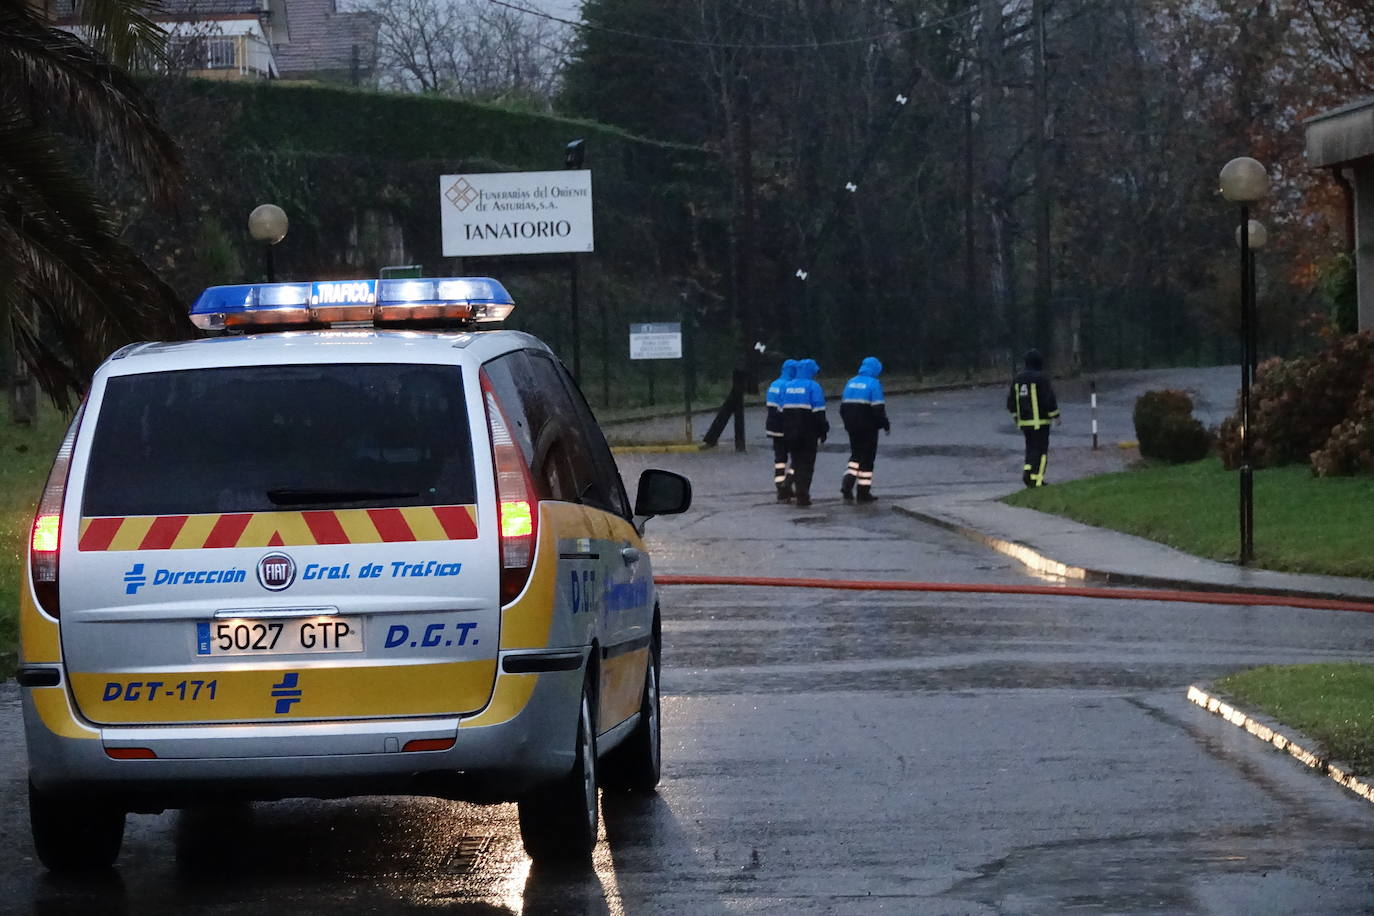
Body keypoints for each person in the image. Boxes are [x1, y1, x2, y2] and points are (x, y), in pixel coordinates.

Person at [1007, 348, 1061, 487]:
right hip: (1040, 421)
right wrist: (1055, 415)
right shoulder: (1041, 378)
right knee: (1041, 451)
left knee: (1030, 448)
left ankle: (1028, 473)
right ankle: (1037, 479)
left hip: (1025, 422)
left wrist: (1016, 416)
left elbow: (1011, 401)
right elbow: (1048, 398)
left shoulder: (1017, 379)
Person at [839, 356, 890, 502]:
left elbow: (842, 407)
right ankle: (863, 492)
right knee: (867, 458)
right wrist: (884, 424)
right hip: (868, 426)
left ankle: (848, 482)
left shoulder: (851, 382)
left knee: (856, 454)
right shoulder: (874, 384)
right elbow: (878, 408)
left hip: (852, 426)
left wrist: (847, 423)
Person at [779, 358, 828, 507]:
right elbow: (819, 413)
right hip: (808, 433)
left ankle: (792, 487)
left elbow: (780, 411)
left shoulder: (787, 387)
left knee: (796, 461)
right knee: (806, 464)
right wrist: (823, 431)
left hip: (790, 433)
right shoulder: (813, 387)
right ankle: (803, 495)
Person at [765, 359, 798, 501]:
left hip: (773, 427)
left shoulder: (774, 384)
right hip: (786, 427)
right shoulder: (789, 386)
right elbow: (787, 409)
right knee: (797, 457)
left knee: (780, 458)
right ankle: (787, 483)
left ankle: (780, 486)